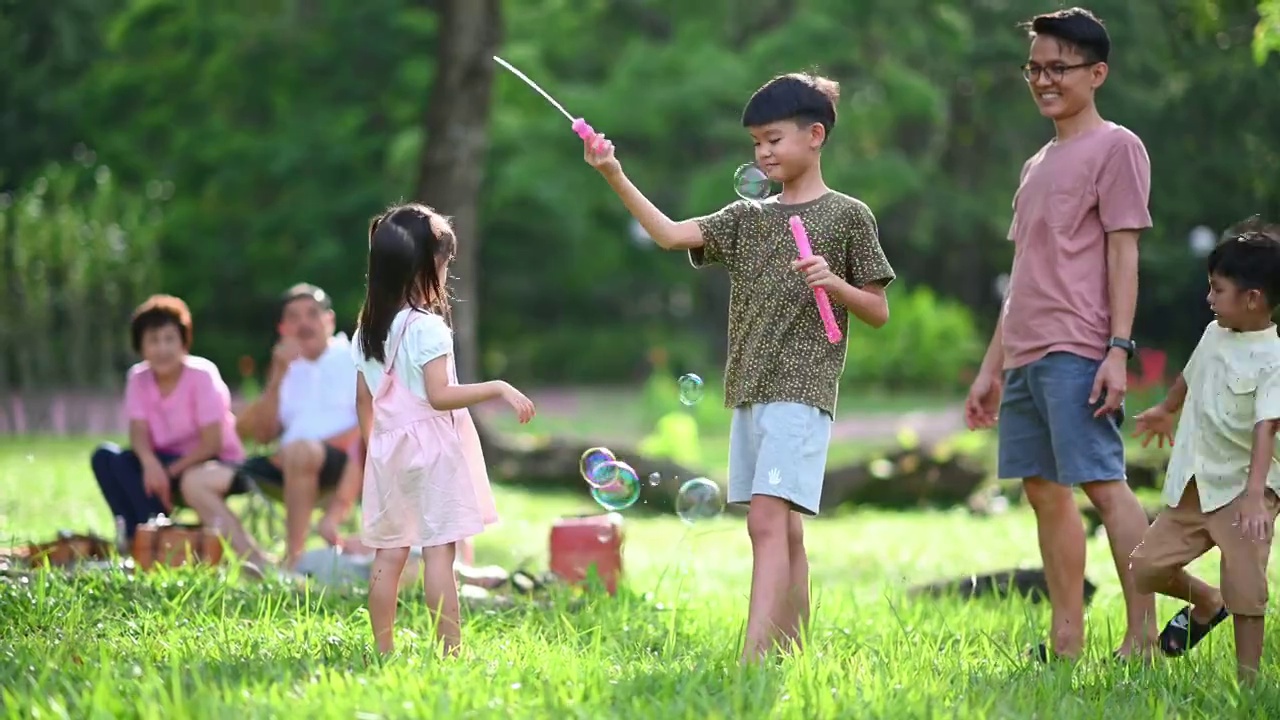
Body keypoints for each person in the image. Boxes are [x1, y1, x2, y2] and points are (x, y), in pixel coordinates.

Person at [583, 72, 895, 664]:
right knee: (785, 528)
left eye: (774, 139)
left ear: (816, 135)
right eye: (755, 143)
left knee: (766, 524)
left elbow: (878, 309)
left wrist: (834, 283)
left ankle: (753, 660)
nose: (763, 153)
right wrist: (612, 172)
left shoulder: (849, 216)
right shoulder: (749, 217)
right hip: (749, 390)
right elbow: (673, 236)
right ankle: (793, 650)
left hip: (802, 390)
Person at [962, 7, 1158, 661]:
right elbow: (1022, 272)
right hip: (1026, 350)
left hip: (1081, 345)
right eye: (1035, 68)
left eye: (1059, 68)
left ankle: (1143, 634)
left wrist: (1118, 349)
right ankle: (1066, 639)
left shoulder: (1118, 147)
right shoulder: (1035, 163)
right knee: (1044, 493)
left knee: (1104, 484)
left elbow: (1123, 252)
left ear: (1096, 73)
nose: (1044, 80)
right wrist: (992, 367)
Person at [352, 203, 535, 656]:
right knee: (439, 554)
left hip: (387, 449)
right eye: (444, 262)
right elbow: (438, 396)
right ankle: (449, 652)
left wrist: (374, 450)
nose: (446, 270)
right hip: (432, 448)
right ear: (424, 266)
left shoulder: (366, 331)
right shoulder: (427, 327)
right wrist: (496, 387)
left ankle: (383, 650)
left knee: (389, 554)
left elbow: (363, 400)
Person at [1129, 220, 1280, 685]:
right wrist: (1166, 409)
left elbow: (1266, 427)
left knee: (1247, 589)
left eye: (1217, 290)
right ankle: (1206, 601)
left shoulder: (1273, 357)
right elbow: (1190, 376)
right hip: (1195, 484)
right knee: (1145, 567)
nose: (1210, 299)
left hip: (1243, 492)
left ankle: (1247, 684)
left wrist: (1256, 495)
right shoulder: (1214, 334)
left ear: (1252, 298)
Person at [179, 283, 362, 570]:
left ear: (330, 320)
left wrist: (305, 450)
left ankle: (294, 561)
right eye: (294, 317)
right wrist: (277, 376)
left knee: (300, 452)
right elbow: (263, 435)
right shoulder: (283, 366)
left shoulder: (354, 359)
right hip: (285, 462)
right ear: (283, 327)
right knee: (196, 481)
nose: (303, 323)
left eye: (312, 314)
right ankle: (259, 566)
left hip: (344, 463)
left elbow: (371, 426)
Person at [91, 295, 245, 539]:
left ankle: (155, 535)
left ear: (183, 341)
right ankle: (136, 533)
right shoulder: (138, 378)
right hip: (161, 461)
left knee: (140, 475)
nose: (162, 349)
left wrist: (169, 472)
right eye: (153, 340)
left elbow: (212, 443)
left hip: (206, 461)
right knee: (107, 458)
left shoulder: (202, 375)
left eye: (169, 339)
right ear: (140, 346)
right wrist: (151, 463)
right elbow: (138, 430)